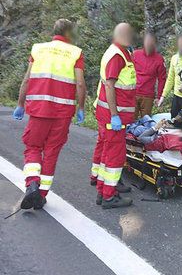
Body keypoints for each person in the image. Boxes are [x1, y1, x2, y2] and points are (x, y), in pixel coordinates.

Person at [12, 19, 86, 210]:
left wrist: (21, 103)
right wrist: (81, 108)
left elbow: (27, 79)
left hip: (39, 110)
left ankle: (32, 184)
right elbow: (80, 84)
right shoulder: (75, 53)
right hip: (62, 113)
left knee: (33, 147)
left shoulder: (38, 49)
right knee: (52, 151)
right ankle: (41, 196)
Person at [93, 23, 136, 209]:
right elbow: (110, 86)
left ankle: (103, 190)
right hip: (113, 117)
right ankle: (109, 197)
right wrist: (114, 115)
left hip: (114, 115)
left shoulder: (121, 52)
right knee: (115, 156)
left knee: (108, 153)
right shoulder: (117, 55)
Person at [133, 32, 166, 119]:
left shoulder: (159, 59)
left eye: (151, 42)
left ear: (155, 44)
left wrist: (159, 96)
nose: (148, 44)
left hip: (148, 96)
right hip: (133, 93)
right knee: (130, 121)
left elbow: (162, 79)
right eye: (147, 42)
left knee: (146, 121)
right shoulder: (135, 54)